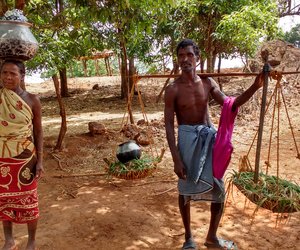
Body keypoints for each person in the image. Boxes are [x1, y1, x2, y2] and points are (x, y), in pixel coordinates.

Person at [164, 39, 263, 250]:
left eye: (189, 55)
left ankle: (211, 238)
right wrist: (176, 159)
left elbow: (231, 105)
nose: (185, 59)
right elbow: (168, 125)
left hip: (208, 140)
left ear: (197, 59)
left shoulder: (208, 83)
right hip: (186, 141)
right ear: (178, 60)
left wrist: (255, 86)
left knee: (218, 188)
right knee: (185, 189)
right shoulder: (173, 89)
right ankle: (189, 239)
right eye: (181, 56)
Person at [0, 60, 43, 250]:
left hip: (25, 157)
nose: (8, 77)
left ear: (22, 76)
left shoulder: (32, 100)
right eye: (4, 73)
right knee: (4, 199)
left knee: (29, 200)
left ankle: (31, 241)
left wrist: (40, 160)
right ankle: (9, 239)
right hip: (1, 155)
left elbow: (39, 132)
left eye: (13, 73)